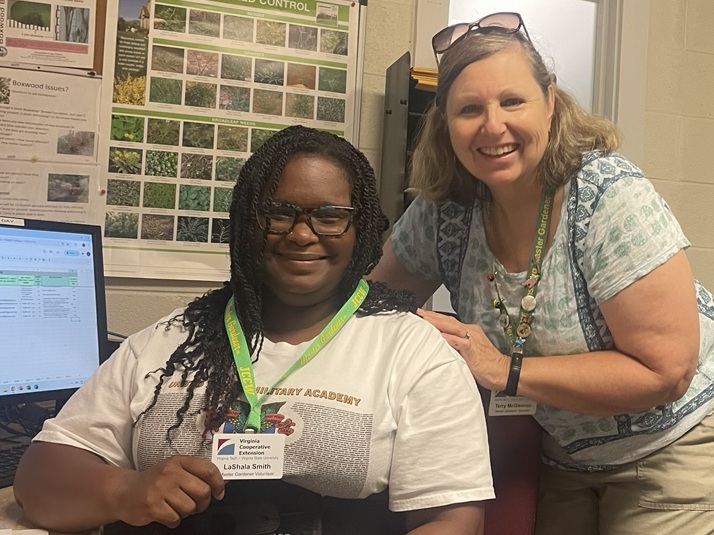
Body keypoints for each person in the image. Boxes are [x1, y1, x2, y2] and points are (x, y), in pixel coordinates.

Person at [13, 125, 494, 534]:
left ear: (360, 229)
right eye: (279, 213)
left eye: (329, 216)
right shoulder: (167, 342)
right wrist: (123, 490)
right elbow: (38, 481)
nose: (302, 234)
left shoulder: (413, 352)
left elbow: (452, 518)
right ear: (248, 221)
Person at [369, 11, 714, 535]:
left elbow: (666, 372)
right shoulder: (445, 211)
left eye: (512, 101)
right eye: (469, 109)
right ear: (445, 122)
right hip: (565, 454)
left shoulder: (607, 195)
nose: (493, 126)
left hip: (673, 442)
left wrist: (503, 369)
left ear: (550, 103)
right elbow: (373, 304)